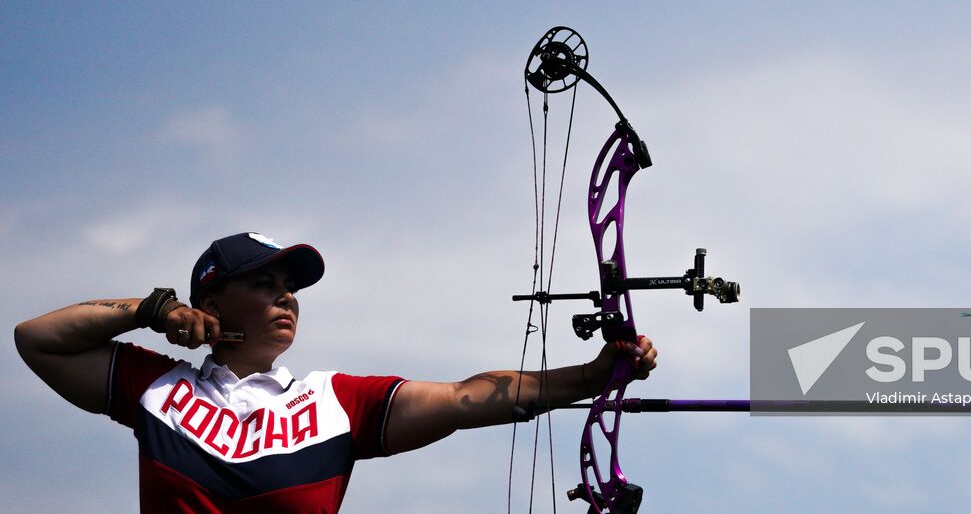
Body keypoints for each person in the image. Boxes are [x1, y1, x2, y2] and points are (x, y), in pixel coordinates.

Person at [13, 232, 657, 512]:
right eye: (263, 284)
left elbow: (468, 399)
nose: (286, 297)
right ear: (209, 305)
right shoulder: (158, 390)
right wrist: (152, 310)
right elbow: (37, 339)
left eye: (290, 287)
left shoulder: (332, 403)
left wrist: (590, 375)